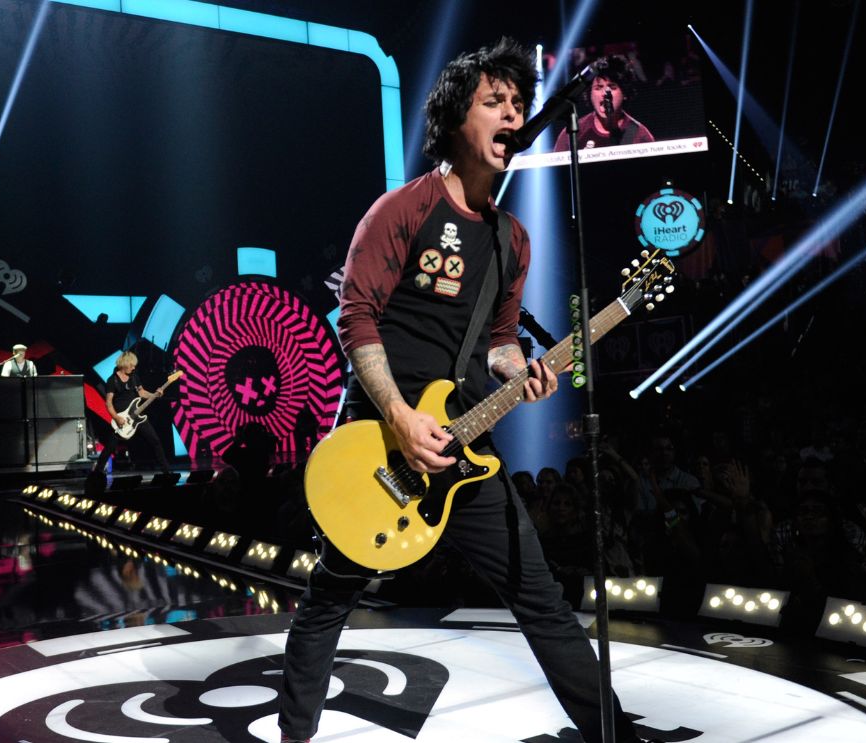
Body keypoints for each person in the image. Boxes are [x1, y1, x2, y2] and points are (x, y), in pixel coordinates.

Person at [278, 38, 646, 743]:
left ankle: (612, 736)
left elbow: (500, 341)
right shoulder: (403, 209)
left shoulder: (512, 238)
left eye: (517, 104)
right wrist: (397, 416)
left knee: (540, 599)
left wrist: (522, 372)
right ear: (454, 122)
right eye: (494, 102)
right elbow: (355, 318)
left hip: (466, 445)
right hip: (384, 445)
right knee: (328, 599)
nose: (513, 114)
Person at [553, 57, 654, 152]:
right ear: (589, 94)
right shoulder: (573, 133)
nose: (605, 93)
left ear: (624, 93)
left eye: (612, 87)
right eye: (598, 87)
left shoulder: (639, 134)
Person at [92, 351, 170, 474]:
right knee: (110, 447)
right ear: (125, 364)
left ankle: (167, 472)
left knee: (155, 441)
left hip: (137, 415)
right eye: (132, 365)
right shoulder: (112, 380)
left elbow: (142, 393)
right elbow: (108, 403)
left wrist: (155, 394)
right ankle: (96, 473)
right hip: (122, 420)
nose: (134, 367)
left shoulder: (134, 376)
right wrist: (116, 418)